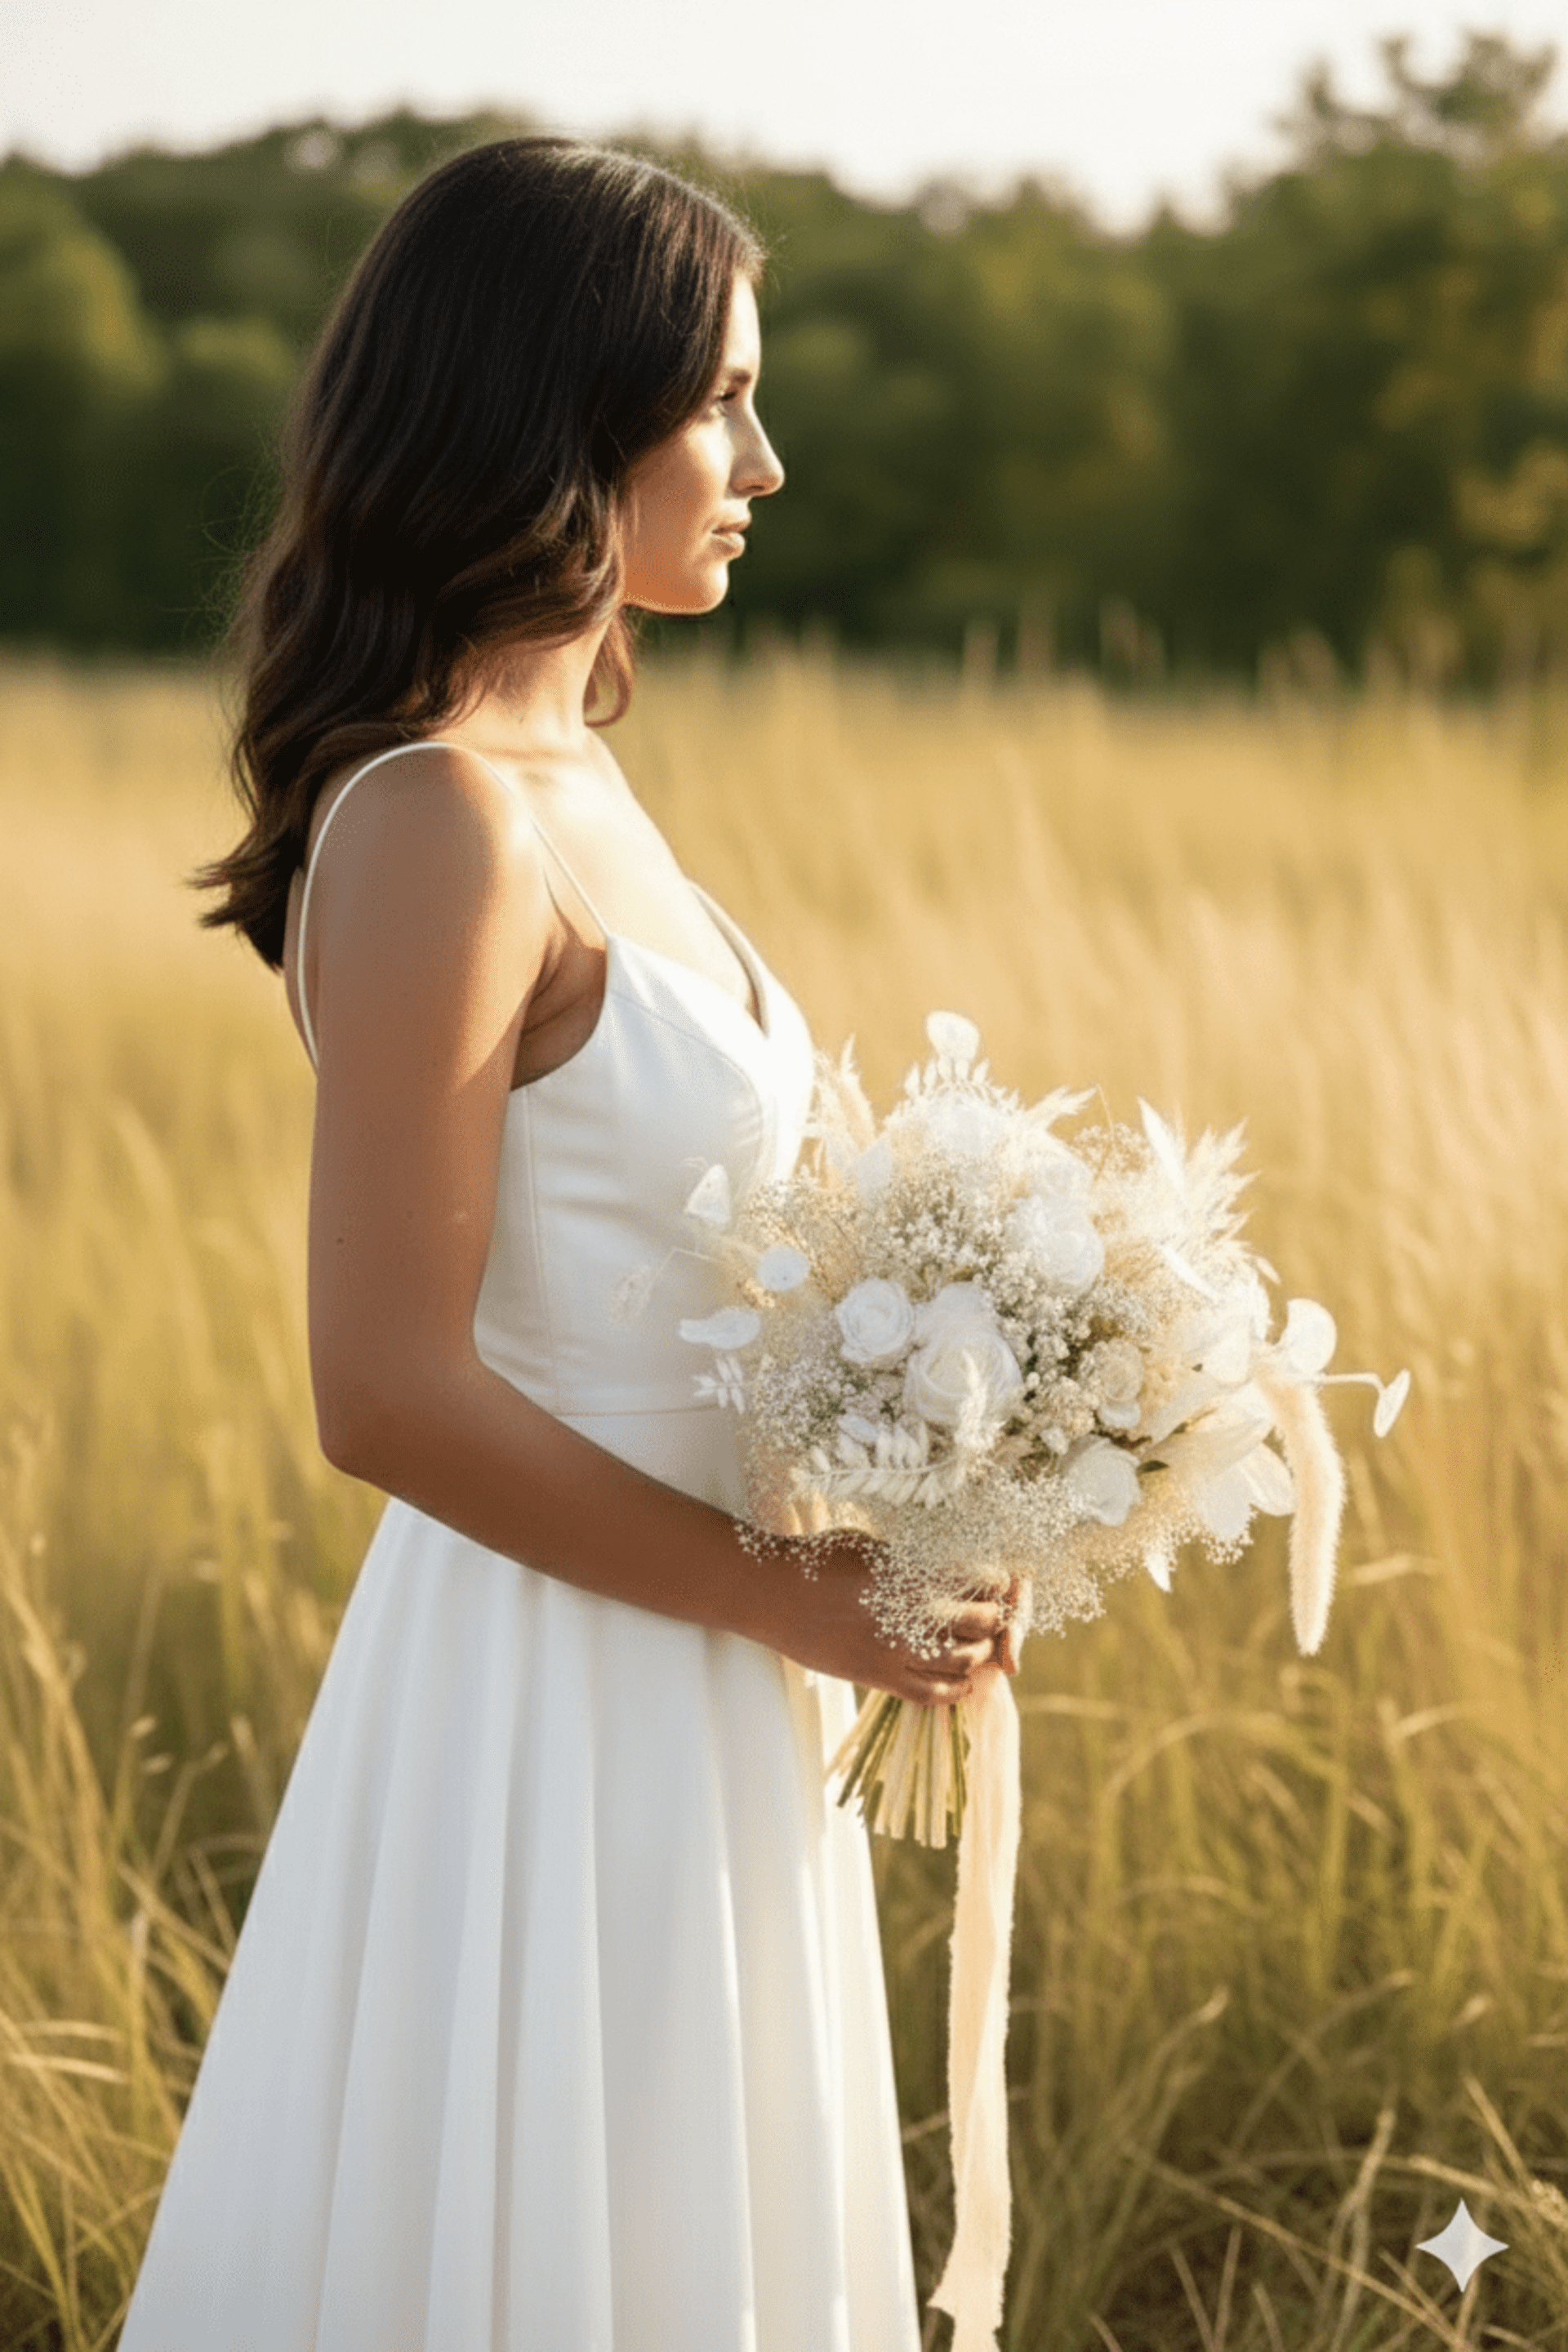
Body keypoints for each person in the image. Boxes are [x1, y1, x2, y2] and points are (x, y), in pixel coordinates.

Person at [118, 136, 1010, 2352]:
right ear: (554, 415)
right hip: (550, 1692)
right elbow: (386, 1391)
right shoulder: (438, 818)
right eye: (719, 400)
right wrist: (808, 1600)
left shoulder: (583, 783)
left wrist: (935, 1456)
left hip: (710, 1673)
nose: (764, 460)